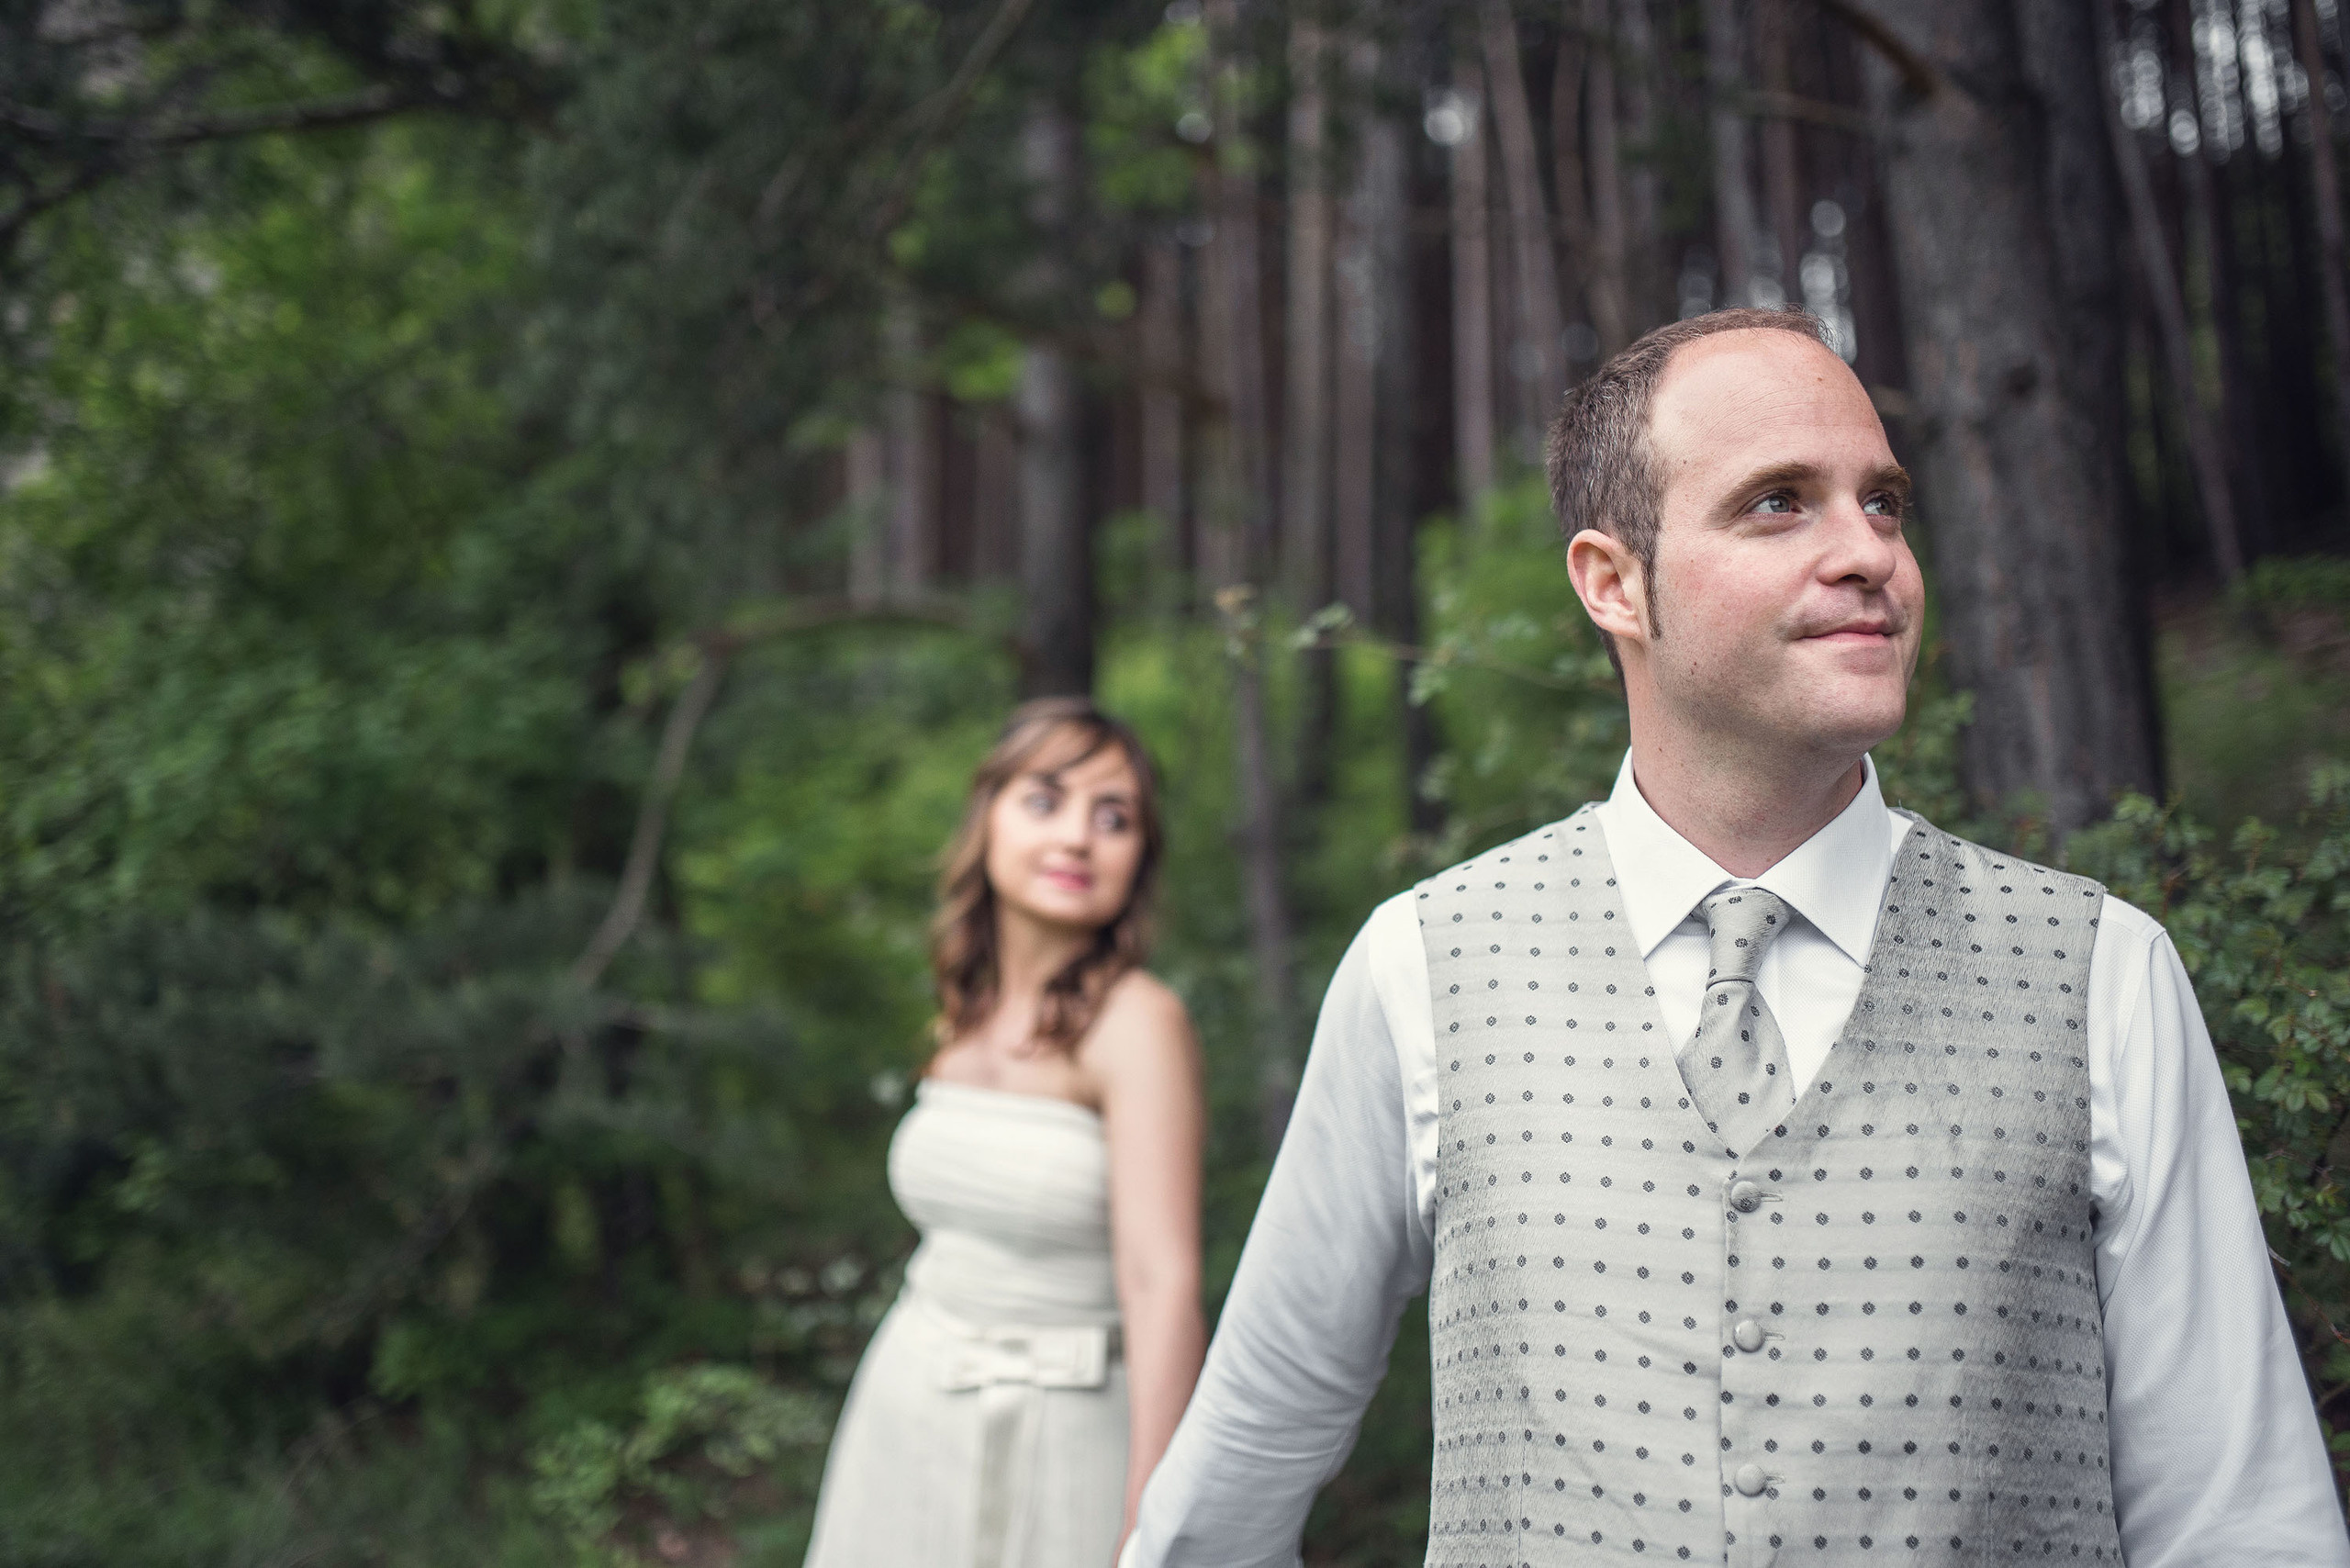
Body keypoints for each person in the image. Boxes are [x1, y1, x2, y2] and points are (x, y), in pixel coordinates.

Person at [1124, 309, 2350, 1567]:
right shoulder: (1423, 968)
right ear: (1613, 583)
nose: (1867, 551)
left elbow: (2240, 1519)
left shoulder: (2102, 974)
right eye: (1779, 503)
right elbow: (1246, 1460)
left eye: (1883, 502)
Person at [804, 697, 1205, 1568]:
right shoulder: (965, 1009)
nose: (1076, 838)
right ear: (987, 815)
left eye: (1114, 819)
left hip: (1066, 1426)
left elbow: (1162, 1280)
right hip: (909, 1403)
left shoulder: (1137, 1021)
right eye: (1044, 800)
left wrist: (1153, 1521)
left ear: (1139, 859)